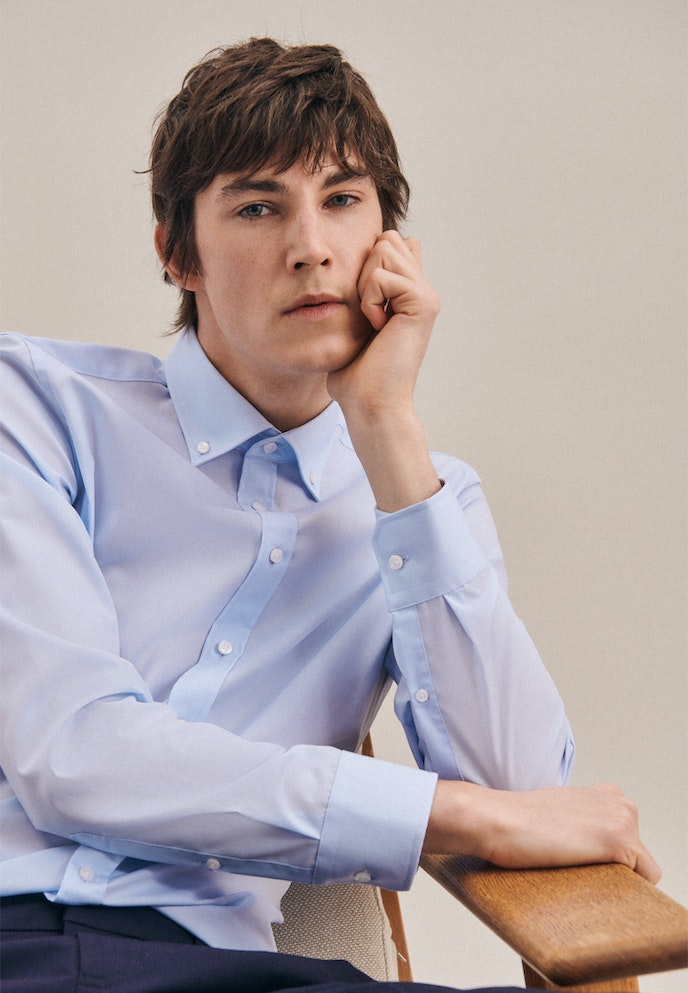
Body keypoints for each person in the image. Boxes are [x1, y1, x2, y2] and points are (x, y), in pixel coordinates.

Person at [0, 37, 660, 993]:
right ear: (178, 252)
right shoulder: (37, 410)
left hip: (212, 968)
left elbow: (525, 797)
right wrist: (444, 814)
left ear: (390, 240)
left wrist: (386, 430)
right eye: (258, 207)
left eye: (343, 200)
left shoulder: (426, 501)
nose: (310, 246)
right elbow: (72, 755)